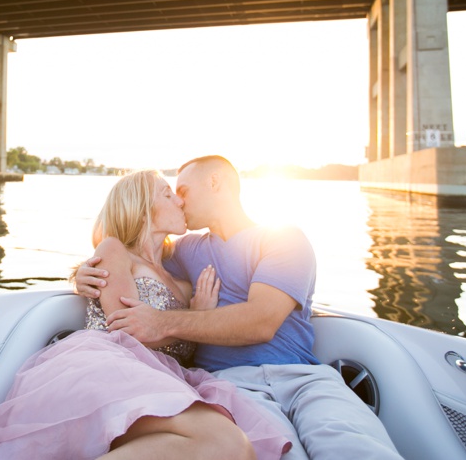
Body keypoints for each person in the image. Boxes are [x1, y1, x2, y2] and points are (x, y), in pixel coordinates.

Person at [74, 156, 403, 460]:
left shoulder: (282, 238)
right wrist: (85, 274)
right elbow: (134, 259)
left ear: (216, 183)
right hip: (228, 386)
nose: (180, 201)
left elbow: (260, 322)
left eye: (184, 190)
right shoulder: (182, 252)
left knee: (352, 444)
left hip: (304, 377)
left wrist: (163, 322)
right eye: (172, 194)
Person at [0, 170, 292, 460]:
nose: (179, 201)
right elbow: (129, 328)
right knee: (227, 446)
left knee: (236, 447)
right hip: (108, 366)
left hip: (163, 377)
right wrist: (193, 319)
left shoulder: (180, 276)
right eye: (167, 193)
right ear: (141, 206)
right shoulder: (114, 250)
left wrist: (194, 317)